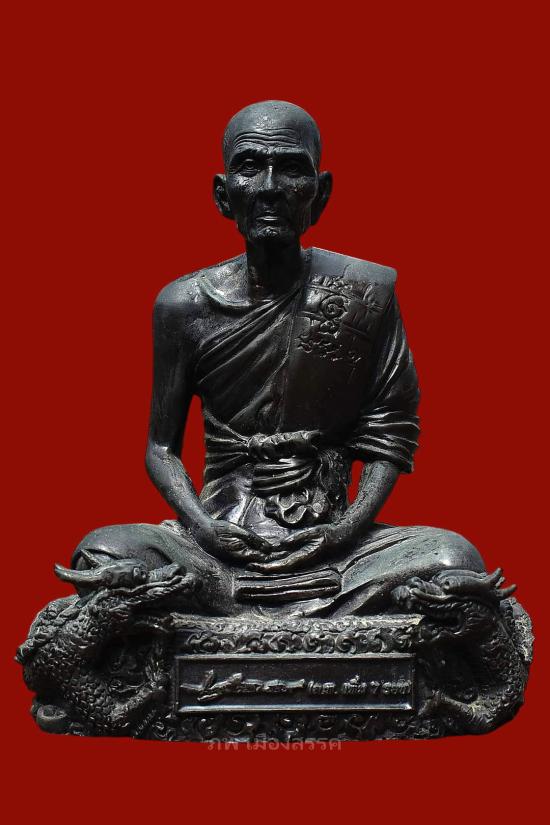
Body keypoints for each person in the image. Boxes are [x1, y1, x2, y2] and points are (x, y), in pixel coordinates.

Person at [71, 100, 484, 616]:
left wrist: (345, 530)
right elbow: (160, 447)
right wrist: (203, 527)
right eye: (250, 167)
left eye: (291, 168)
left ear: (320, 192)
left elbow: (390, 429)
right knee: (104, 552)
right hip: (219, 540)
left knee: (454, 560)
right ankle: (248, 595)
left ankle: (228, 605)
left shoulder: (362, 291)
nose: (269, 187)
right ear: (223, 194)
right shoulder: (183, 305)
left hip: (333, 541)